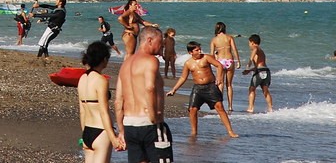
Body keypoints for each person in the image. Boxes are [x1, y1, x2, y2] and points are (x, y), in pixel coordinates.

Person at [115, 26, 173, 162]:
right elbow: (149, 88)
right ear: (149, 40)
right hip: (149, 122)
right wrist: (153, 117)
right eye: (161, 43)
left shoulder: (125, 64)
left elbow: (118, 101)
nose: (162, 47)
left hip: (129, 124)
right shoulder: (151, 61)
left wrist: (121, 130)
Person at [166, 41, 238, 138]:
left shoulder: (206, 57)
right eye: (197, 50)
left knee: (219, 107)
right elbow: (183, 77)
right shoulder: (188, 63)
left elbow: (219, 65)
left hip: (210, 86)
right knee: (192, 109)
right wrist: (174, 89)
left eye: (200, 49)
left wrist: (219, 77)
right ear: (190, 52)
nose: (200, 51)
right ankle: (194, 132)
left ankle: (230, 131)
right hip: (198, 88)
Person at [78, 41, 124, 163]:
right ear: (104, 59)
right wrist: (113, 138)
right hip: (101, 132)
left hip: (87, 130)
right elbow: (104, 111)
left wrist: (84, 135)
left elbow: (82, 110)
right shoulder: (101, 81)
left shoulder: (82, 79)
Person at [210, 22, 241, 112]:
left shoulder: (214, 40)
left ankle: (220, 104)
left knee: (220, 84)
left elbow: (211, 54)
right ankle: (230, 106)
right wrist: (238, 61)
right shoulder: (229, 38)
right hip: (229, 61)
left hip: (220, 61)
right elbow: (234, 50)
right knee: (229, 85)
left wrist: (212, 62)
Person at [242, 34, 273, 113]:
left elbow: (253, 55)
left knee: (252, 89)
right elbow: (259, 65)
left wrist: (248, 65)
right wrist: (249, 71)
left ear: (252, 42)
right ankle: (270, 108)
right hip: (266, 71)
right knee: (265, 90)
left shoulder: (255, 48)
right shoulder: (261, 52)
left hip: (259, 72)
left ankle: (250, 107)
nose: (249, 45)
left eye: (249, 43)